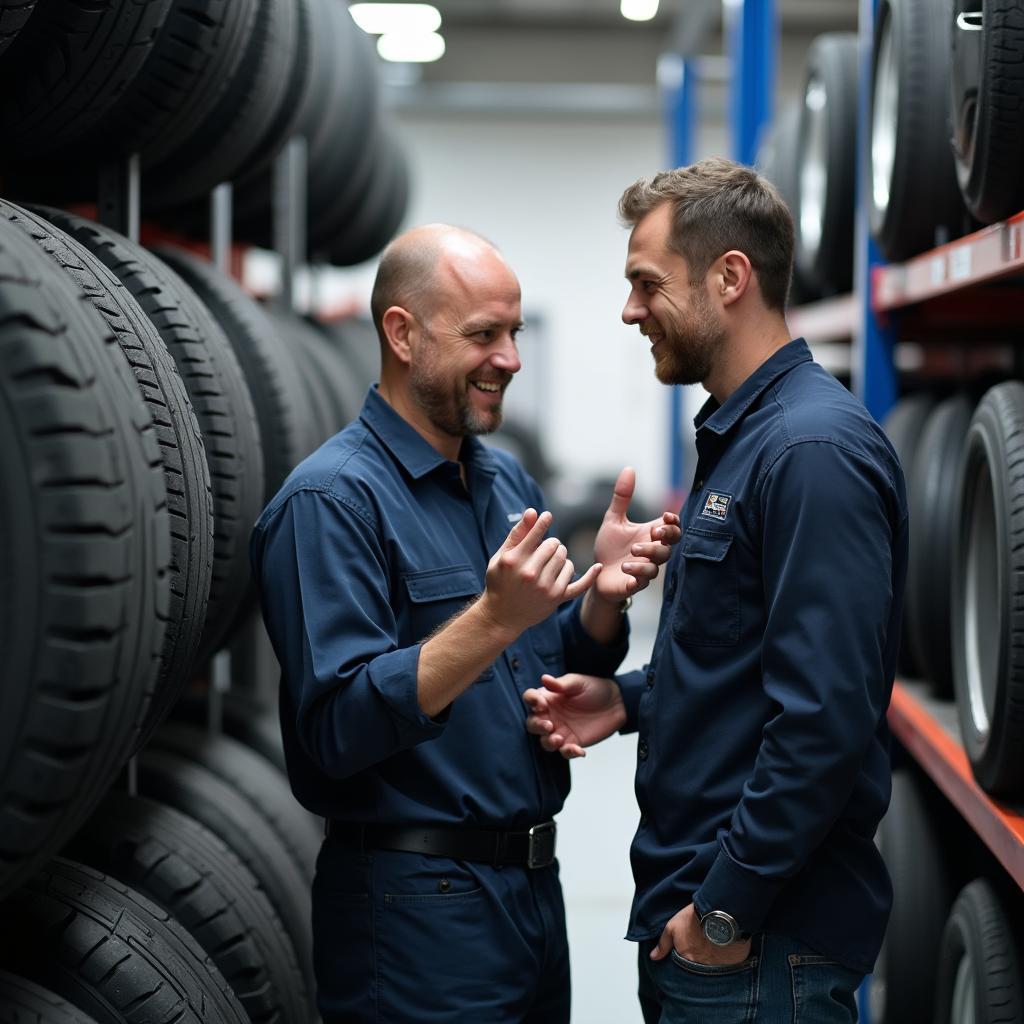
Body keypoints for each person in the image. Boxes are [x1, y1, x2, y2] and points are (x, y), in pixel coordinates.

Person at [250, 223, 681, 1024]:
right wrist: (490, 619)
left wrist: (602, 599)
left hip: (529, 896)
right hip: (417, 913)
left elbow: (545, 665)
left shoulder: (500, 478)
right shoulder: (331, 504)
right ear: (402, 334)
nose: (511, 358)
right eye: (483, 334)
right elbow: (335, 728)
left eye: (513, 332)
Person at [524, 157, 908, 1023]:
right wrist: (626, 700)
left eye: (647, 284)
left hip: (758, 949)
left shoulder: (811, 453)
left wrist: (726, 910)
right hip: (710, 928)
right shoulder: (744, 440)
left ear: (730, 277)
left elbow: (823, 718)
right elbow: (744, 663)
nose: (630, 310)